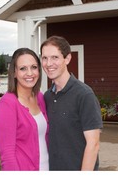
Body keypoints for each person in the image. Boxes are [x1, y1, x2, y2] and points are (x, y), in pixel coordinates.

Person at [40, 35, 103, 171]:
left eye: (55, 57)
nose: (48, 63)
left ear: (67, 58)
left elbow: (93, 144)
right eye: (45, 58)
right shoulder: (47, 96)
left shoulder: (84, 95)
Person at [0, 48, 49, 171]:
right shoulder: (7, 105)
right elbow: (7, 156)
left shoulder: (39, 97)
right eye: (23, 68)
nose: (30, 73)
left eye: (34, 67)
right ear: (14, 72)